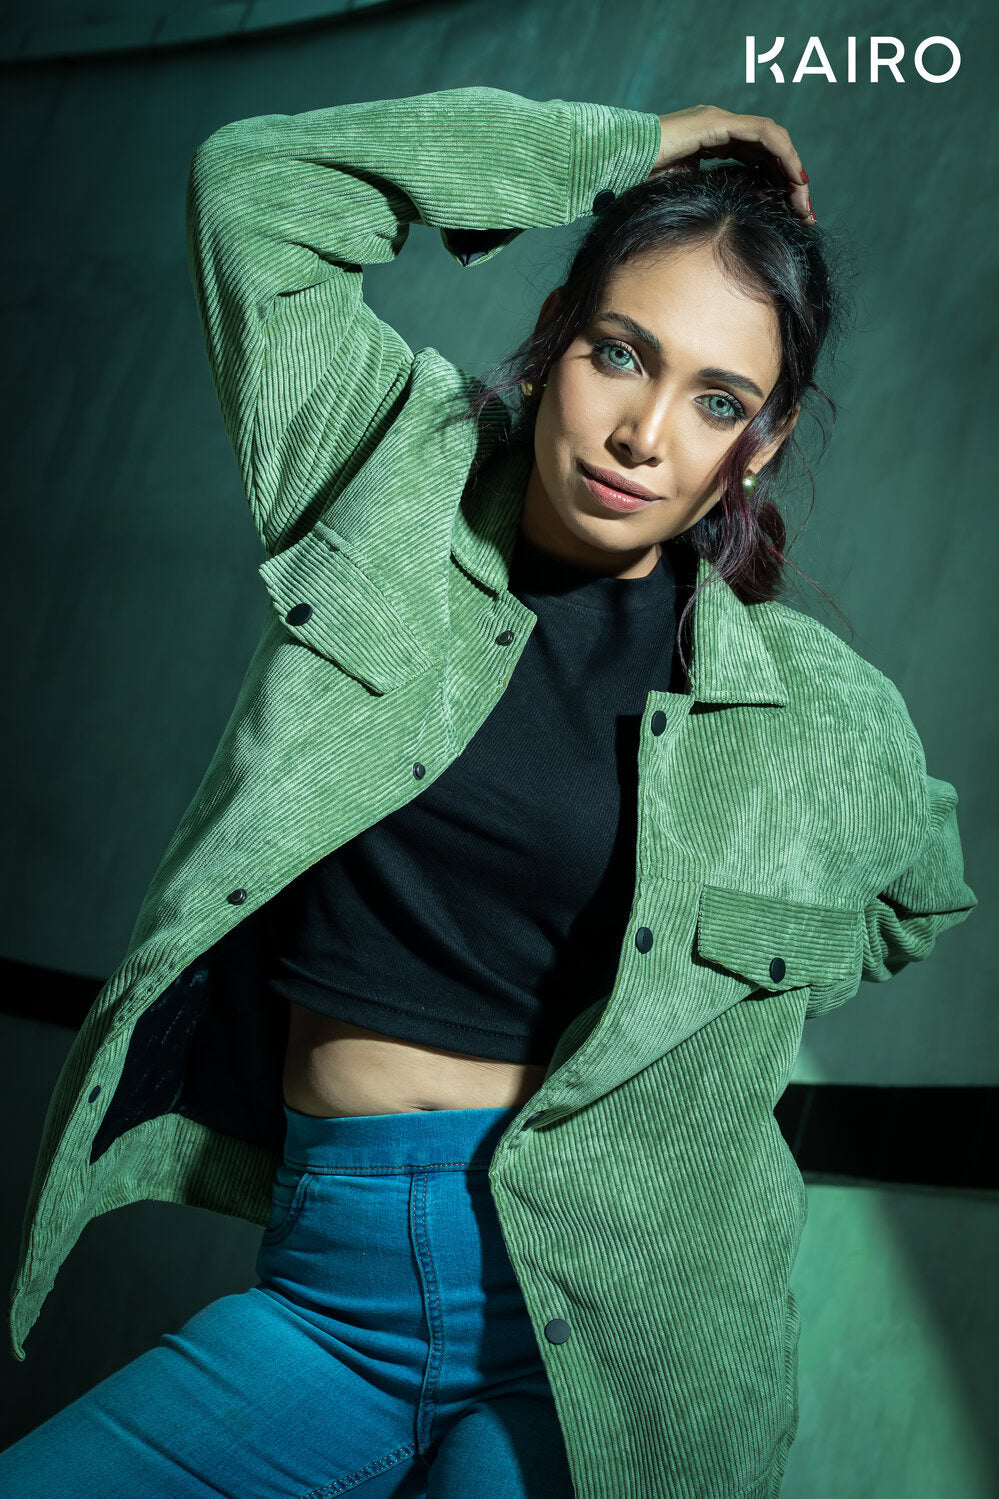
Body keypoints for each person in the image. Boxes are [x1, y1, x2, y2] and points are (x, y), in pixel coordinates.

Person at [3, 86, 976, 1499]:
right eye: (620, 354)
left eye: (717, 401)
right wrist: (620, 151)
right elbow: (255, 186)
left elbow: (917, 895)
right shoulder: (387, 475)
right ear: (558, 333)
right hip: (333, 1296)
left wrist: (707, 1009)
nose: (645, 433)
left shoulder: (807, 707)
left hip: (618, 1333)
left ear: (757, 444)